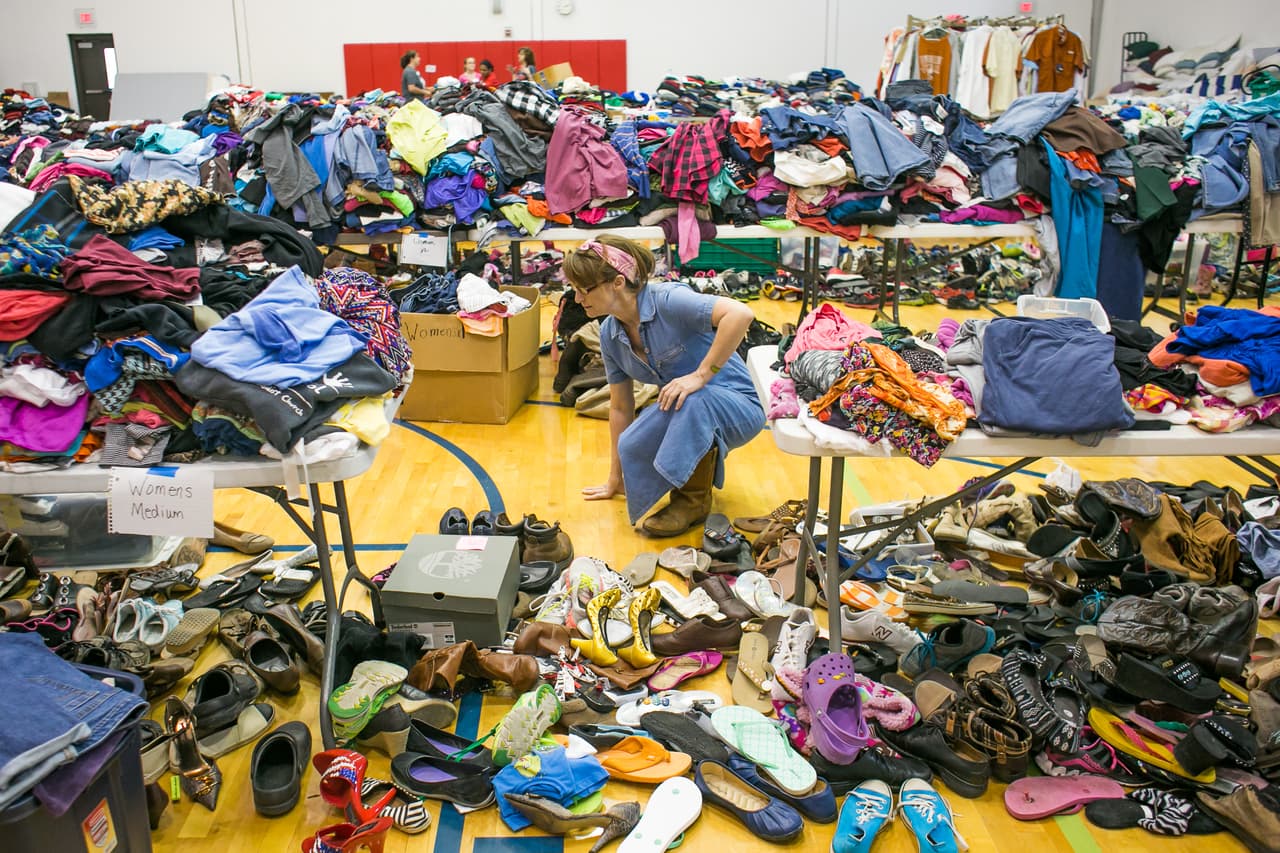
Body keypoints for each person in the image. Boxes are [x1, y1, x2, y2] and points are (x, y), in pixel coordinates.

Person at [565, 235, 764, 537]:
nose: (578, 299)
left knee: (694, 399)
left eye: (584, 290)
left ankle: (691, 502)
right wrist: (615, 478)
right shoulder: (608, 333)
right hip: (688, 407)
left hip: (739, 406)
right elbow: (620, 407)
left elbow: (740, 314)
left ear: (618, 282)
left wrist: (700, 375)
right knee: (631, 443)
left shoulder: (668, 299)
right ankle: (676, 483)